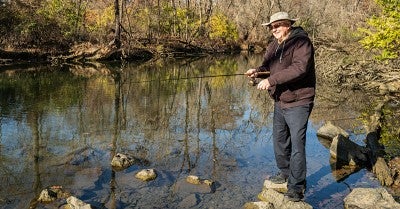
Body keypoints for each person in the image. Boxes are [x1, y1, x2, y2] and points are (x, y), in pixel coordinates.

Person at [245, 11, 316, 202]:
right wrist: (257, 72)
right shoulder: (274, 45)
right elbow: (268, 67)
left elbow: (299, 69)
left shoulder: (301, 42)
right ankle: (285, 174)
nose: (274, 29)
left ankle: (296, 186)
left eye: (277, 25)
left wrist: (271, 80)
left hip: (299, 101)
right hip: (280, 100)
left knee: (297, 146)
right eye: (271, 27)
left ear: (288, 25)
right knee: (280, 142)